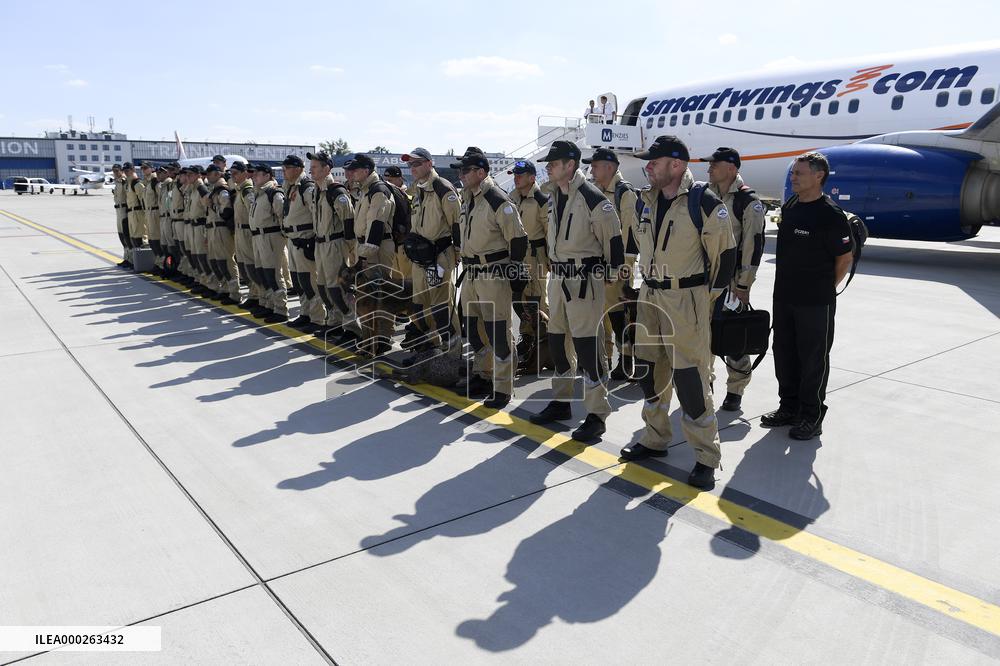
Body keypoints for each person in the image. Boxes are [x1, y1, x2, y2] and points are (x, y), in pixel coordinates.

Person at [618, 136, 736, 490]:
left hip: (686, 299)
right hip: (650, 296)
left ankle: (706, 456)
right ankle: (655, 438)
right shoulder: (646, 201)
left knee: (690, 380)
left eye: (654, 161)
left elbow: (725, 256)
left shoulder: (704, 202)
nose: (648, 167)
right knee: (649, 370)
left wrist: (705, 301)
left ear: (677, 164)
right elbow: (636, 245)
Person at [529, 140, 624, 442]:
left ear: (570, 165)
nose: (548, 167)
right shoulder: (554, 195)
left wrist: (607, 277)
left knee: (588, 348)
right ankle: (561, 401)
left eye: (553, 163)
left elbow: (614, 242)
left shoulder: (593, 198)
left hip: (583, 282)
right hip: (558, 279)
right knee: (557, 342)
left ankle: (597, 414)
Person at [761, 151, 854, 440]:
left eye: (799, 173)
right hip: (784, 296)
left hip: (815, 301)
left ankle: (811, 416)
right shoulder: (791, 206)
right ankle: (788, 407)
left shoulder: (830, 215)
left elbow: (844, 258)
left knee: (813, 359)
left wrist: (825, 288)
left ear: (818, 176)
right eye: (793, 172)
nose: (793, 177)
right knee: (784, 354)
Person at [451, 148, 527, 408]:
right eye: (460, 171)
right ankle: (484, 374)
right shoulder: (468, 198)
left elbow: (518, 239)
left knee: (498, 333)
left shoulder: (496, 199)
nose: (461, 175)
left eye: (466, 170)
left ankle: (503, 387)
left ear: (481, 172)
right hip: (471, 274)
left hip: (493, 274)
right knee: (473, 330)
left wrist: (514, 271)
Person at [703, 147, 766, 411]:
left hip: (731, 283)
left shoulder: (747, 201)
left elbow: (753, 245)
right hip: (704, 280)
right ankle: (704, 385)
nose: (709, 169)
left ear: (731, 168)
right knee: (703, 336)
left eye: (714, 165)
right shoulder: (705, 195)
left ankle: (735, 389)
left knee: (733, 339)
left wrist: (743, 285)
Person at [583, 147, 639, 381]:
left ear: (609, 167)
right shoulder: (596, 191)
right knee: (605, 315)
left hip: (617, 266)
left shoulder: (624, 192)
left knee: (619, 316)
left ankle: (627, 361)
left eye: (595, 166)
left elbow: (629, 235)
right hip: (600, 265)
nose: (592, 170)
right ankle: (611, 359)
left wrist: (621, 268)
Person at [401, 146, 461, 353]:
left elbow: (457, 224)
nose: (412, 167)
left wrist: (458, 253)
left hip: (439, 256)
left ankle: (453, 351)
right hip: (420, 258)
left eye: (417, 163)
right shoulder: (417, 189)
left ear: (429, 163)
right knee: (419, 306)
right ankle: (431, 346)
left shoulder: (442, 188)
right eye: (410, 164)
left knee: (440, 307)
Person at [308, 150, 360, 344]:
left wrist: (350, 248)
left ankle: (351, 327)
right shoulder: (317, 190)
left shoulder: (336, 191)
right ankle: (334, 321)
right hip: (320, 243)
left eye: (315, 167)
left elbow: (348, 219)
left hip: (334, 244)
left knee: (337, 287)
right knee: (322, 285)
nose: (311, 170)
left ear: (326, 169)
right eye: (311, 167)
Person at [506, 160, 551, 374]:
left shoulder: (541, 200)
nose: (516, 178)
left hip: (535, 256)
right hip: (516, 256)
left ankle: (548, 342)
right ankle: (528, 337)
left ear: (532, 178)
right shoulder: (511, 197)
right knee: (519, 299)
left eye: (520, 175)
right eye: (515, 174)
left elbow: (549, 231)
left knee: (536, 300)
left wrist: (551, 259)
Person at [350, 153, 397, 357]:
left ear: (366, 170)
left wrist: (364, 257)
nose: (352, 173)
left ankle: (383, 340)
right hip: (365, 247)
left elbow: (376, 226)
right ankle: (369, 339)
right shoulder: (366, 190)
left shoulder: (378, 191)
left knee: (380, 296)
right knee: (367, 297)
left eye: (356, 169)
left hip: (375, 250)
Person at [280, 154, 325, 332]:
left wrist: (313, 239)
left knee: (309, 281)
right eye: (283, 168)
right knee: (299, 282)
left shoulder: (307, 187)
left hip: (305, 239)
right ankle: (305, 313)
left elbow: (316, 214)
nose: (284, 171)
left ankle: (317, 318)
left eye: (287, 168)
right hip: (293, 239)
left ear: (298, 169)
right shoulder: (291, 187)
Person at [249, 163, 289, 324]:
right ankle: (268, 303)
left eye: (257, 174)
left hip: (270, 236)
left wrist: (282, 236)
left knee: (273, 274)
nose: (254, 177)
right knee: (262, 273)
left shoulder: (273, 192)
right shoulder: (259, 193)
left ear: (267, 175)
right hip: (258, 236)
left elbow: (282, 216)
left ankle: (280, 309)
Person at [230, 161, 264, 313]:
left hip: (246, 231)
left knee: (250, 264)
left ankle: (258, 295)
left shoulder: (247, 190)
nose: (233, 176)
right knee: (243, 265)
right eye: (231, 173)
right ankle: (253, 293)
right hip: (239, 231)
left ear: (244, 173)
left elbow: (252, 211)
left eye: (236, 173)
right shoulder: (240, 189)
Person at [204, 165, 240, 304]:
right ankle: (225, 288)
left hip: (221, 229)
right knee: (217, 261)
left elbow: (226, 211)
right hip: (213, 229)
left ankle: (234, 293)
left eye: (210, 173)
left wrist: (212, 205)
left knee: (226, 261)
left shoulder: (222, 190)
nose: (207, 176)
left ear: (218, 174)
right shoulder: (214, 190)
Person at [140, 163, 163, 274]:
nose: (143, 170)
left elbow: (161, 197)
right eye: (142, 168)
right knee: (151, 240)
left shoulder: (155, 181)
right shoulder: (147, 182)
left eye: (145, 168)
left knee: (157, 239)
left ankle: (162, 264)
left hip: (155, 212)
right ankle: (157, 262)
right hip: (148, 212)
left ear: (151, 168)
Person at [111, 164, 131, 268]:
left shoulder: (124, 181)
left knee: (126, 235)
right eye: (113, 171)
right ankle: (126, 257)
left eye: (117, 171)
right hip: (118, 210)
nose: (115, 173)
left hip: (124, 209)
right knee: (121, 235)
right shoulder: (117, 182)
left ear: (121, 171)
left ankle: (130, 259)